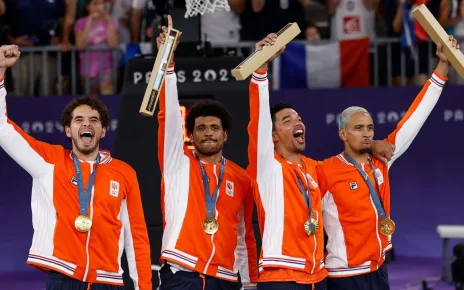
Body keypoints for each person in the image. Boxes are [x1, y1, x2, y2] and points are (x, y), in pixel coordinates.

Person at [246, 34, 395, 290]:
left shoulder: (315, 169)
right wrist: (260, 69)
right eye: (287, 120)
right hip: (281, 276)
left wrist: (372, 144)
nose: (298, 122)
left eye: (299, 118)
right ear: (273, 136)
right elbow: (258, 122)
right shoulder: (267, 166)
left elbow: (350, 161)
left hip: (316, 277)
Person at [0, 45, 152, 290]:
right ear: (68, 131)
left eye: (94, 120)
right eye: (78, 120)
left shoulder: (124, 172)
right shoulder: (49, 160)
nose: (87, 124)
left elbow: (137, 237)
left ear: (103, 130)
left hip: (108, 280)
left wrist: (143, 286)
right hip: (63, 276)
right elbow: (2, 130)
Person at [315, 36, 458, 290]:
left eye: (370, 127)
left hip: (379, 269)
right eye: (358, 128)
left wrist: (443, 66)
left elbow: (415, 117)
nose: (367, 133)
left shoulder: (381, 160)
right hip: (344, 276)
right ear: (342, 134)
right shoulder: (323, 171)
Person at [156, 16, 258, 290]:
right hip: (183, 274)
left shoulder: (241, 179)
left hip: (225, 279)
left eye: (215, 127)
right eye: (201, 128)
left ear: (225, 134)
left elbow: (244, 237)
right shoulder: (177, 164)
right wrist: (167, 62)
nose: (208, 132)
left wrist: (249, 285)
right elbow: (168, 118)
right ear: (191, 135)